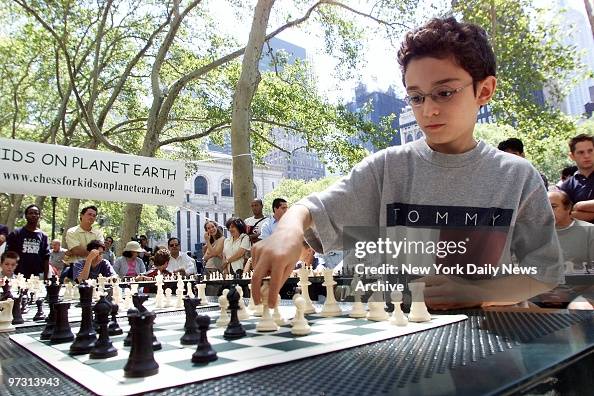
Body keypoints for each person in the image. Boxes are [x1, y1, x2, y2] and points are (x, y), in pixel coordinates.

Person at [250, 17, 563, 309]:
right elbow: (310, 209)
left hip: (489, 347)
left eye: (444, 92)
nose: (428, 111)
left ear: (484, 90)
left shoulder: (518, 177)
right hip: (394, 343)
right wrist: (287, 230)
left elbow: (544, 270)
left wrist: (479, 292)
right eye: (416, 97)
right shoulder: (386, 168)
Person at [547, 190, 594, 272]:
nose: (548, 211)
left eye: (553, 207)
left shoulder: (590, 231)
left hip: (581, 283)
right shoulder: (536, 232)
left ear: (568, 208)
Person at [5, 204, 50, 279]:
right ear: (26, 216)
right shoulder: (16, 233)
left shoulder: (43, 236)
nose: (33, 215)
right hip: (18, 275)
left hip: (36, 276)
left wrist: (46, 278)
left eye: (36, 213)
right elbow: (8, 255)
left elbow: (46, 258)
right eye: (31, 213)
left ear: (39, 216)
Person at [559, 134, 594, 222]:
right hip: (582, 234)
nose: (586, 156)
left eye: (590, 151)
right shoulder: (566, 186)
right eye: (581, 152)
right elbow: (566, 216)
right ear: (572, 156)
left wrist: (580, 206)